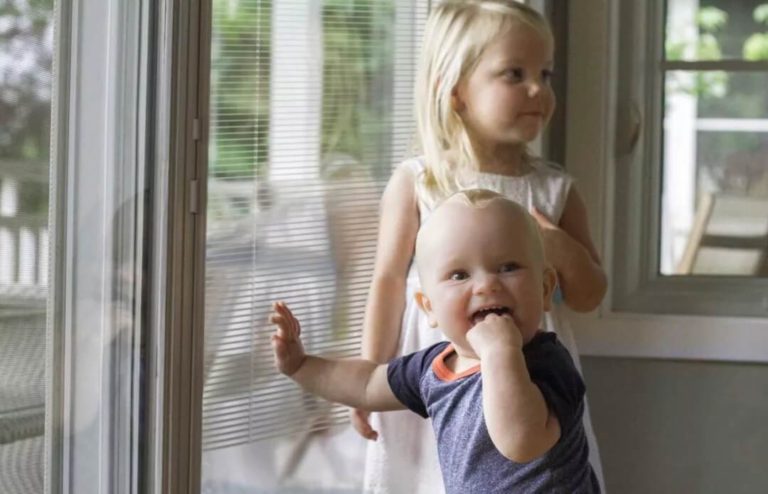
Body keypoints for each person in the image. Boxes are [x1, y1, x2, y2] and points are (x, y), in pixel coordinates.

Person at [352, 1, 608, 493]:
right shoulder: (419, 182)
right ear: (457, 91)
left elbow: (589, 293)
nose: (539, 89)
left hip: (531, 378)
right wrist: (369, 377)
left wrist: (554, 245)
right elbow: (387, 281)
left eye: (546, 73)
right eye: (515, 73)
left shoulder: (555, 190)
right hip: (436, 367)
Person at [269, 190, 600, 494]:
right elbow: (368, 382)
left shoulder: (548, 362)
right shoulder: (434, 367)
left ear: (544, 289)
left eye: (508, 267)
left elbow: (520, 440)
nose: (486, 285)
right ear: (429, 307)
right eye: (459, 275)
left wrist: (500, 351)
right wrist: (301, 366)